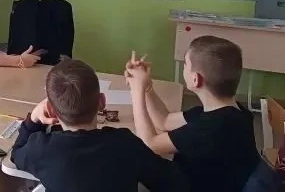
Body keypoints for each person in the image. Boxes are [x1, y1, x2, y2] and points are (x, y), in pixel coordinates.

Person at [11, 59, 186, 192]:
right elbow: (169, 181)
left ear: (51, 110)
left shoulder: (41, 149)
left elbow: (16, 153)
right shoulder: (125, 144)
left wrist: (33, 119)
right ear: (102, 102)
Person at [125, 36, 261, 192]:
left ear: (196, 79)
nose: (184, 68)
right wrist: (147, 88)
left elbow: (150, 144)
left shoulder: (213, 127)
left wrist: (136, 90)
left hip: (190, 185)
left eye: (185, 64)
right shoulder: (228, 112)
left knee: (126, 151)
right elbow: (164, 121)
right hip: (198, 176)